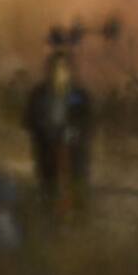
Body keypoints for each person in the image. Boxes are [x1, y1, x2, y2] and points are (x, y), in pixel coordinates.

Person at [23, 50, 94, 211]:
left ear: (70, 70)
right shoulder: (38, 94)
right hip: (47, 150)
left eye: (63, 67)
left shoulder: (79, 95)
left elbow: (87, 121)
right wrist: (45, 131)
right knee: (48, 189)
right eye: (55, 67)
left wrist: (73, 132)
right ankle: (48, 215)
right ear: (48, 70)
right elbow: (29, 119)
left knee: (77, 189)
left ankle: (79, 216)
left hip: (74, 153)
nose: (59, 71)